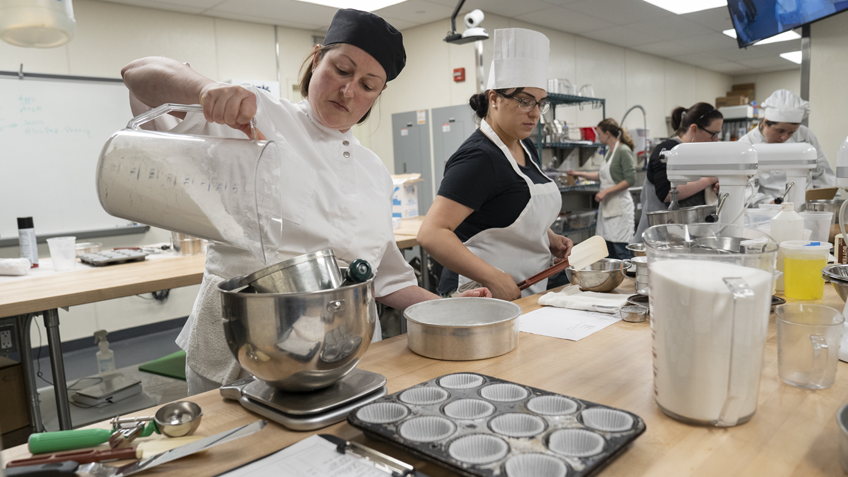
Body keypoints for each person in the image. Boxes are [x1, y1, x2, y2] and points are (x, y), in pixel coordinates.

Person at [121, 9, 490, 395]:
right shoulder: (253, 119)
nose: (349, 91)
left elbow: (383, 276)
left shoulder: (374, 171)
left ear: (379, 94)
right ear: (317, 59)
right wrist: (204, 88)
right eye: (342, 70)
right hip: (245, 351)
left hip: (342, 353)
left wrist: (451, 309)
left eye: (368, 84)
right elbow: (138, 72)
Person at [417, 28, 573, 301]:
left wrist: (549, 237)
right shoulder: (480, 157)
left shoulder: (525, 145)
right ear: (494, 99)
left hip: (525, 290)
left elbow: (505, 210)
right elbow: (432, 233)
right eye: (524, 101)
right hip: (478, 294)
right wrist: (492, 275)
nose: (535, 113)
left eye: (540, 103)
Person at [632, 103, 723, 243]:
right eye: (713, 134)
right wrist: (709, 179)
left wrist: (716, 188)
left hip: (686, 238)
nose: (716, 139)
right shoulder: (666, 150)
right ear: (694, 128)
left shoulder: (700, 153)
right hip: (657, 238)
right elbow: (666, 193)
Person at [739, 89, 835, 206]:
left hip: (805, 206)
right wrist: (772, 203)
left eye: (791, 132)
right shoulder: (745, 145)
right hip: (766, 210)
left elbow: (822, 172)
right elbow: (744, 189)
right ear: (765, 122)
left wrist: (821, 201)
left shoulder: (805, 134)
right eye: (780, 131)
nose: (784, 137)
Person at [567, 118, 636, 259]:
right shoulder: (609, 152)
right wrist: (580, 174)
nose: (598, 138)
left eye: (599, 134)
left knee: (621, 251)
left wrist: (605, 191)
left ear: (607, 133)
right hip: (607, 209)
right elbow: (601, 175)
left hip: (620, 210)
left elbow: (630, 179)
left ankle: (629, 281)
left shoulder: (623, 150)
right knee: (608, 251)